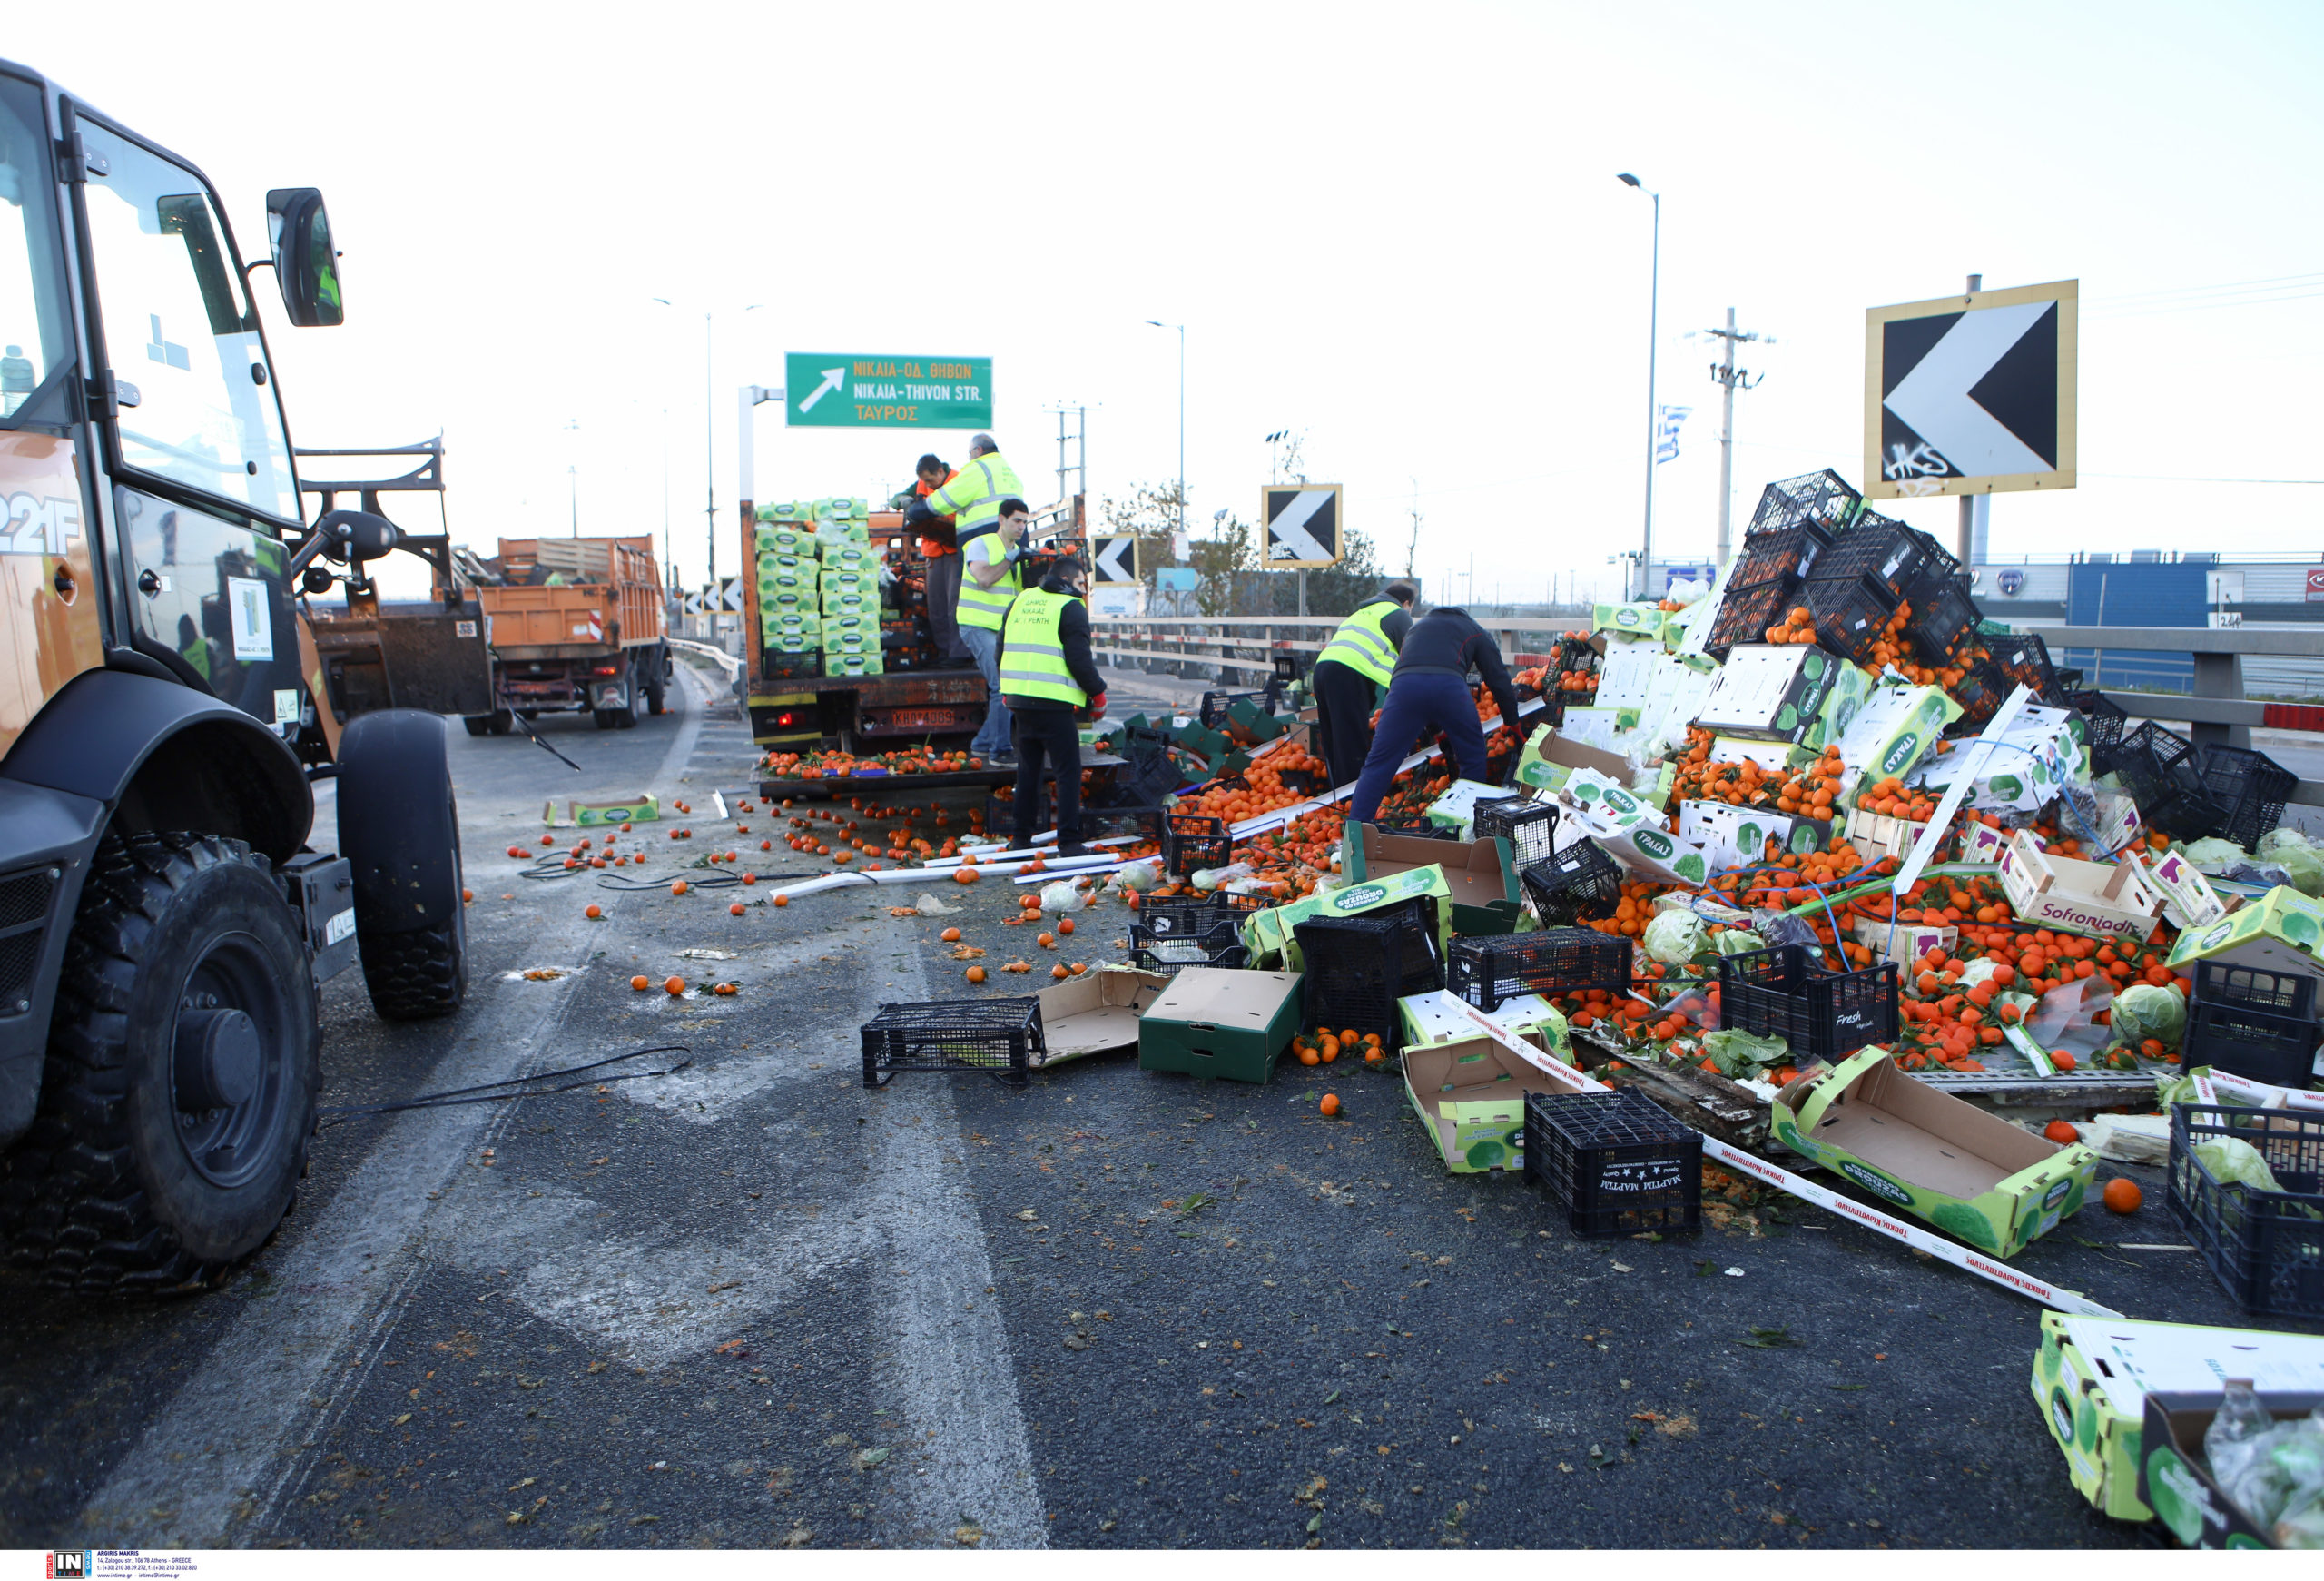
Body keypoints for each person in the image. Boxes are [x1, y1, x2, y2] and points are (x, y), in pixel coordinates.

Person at [1347, 604, 1535, 825]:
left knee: (1379, 762)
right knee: (1473, 757)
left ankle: (1355, 833)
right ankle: (1466, 827)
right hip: (1450, 688)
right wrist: (1512, 722)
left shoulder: (1415, 630)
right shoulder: (1474, 630)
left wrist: (1436, 730)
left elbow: (1414, 674)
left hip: (1403, 689)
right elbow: (1499, 680)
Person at [997, 553, 1106, 858]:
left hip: (1020, 700)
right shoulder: (1070, 606)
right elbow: (1079, 659)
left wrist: (1007, 690)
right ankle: (1069, 842)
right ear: (1068, 581)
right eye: (1083, 583)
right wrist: (1097, 694)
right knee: (1067, 771)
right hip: (1054, 703)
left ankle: (1020, 838)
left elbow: (1001, 647)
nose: (1084, 590)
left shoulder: (1021, 599)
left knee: (1028, 770)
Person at [1311, 582, 1418, 788]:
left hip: (1322, 670)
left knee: (1334, 741)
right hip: (1346, 674)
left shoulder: (1362, 613)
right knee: (1351, 743)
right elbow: (1411, 660)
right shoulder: (1398, 614)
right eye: (1411, 608)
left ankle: (1338, 799)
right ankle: (1353, 803)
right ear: (1406, 603)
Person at [957, 497, 1030, 765]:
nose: (1021, 527)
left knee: (1006, 687)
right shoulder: (981, 544)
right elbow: (984, 578)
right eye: (1016, 521)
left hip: (1000, 630)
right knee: (1001, 686)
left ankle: (982, 743)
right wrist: (1010, 561)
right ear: (1002, 519)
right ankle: (1000, 751)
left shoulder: (1017, 553)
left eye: (1025, 522)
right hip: (976, 625)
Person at [910, 454, 970, 667]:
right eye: (924, 481)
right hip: (933, 550)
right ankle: (944, 652)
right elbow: (908, 500)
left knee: (955, 604)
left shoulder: (960, 479)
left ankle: (959, 655)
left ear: (941, 472)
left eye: (930, 481)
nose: (927, 485)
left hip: (955, 549)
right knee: (936, 605)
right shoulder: (921, 483)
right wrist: (903, 501)